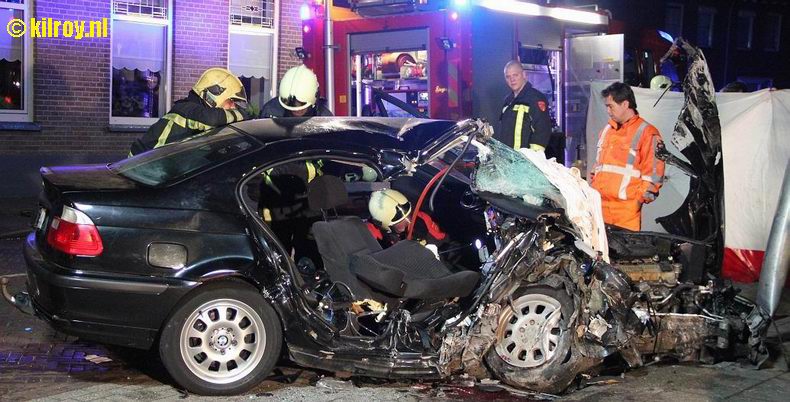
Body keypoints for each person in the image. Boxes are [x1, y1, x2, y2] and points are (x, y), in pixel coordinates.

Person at [590, 82, 666, 231]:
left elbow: (654, 175)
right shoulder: (607, 130)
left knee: (624, 247)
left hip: (626, 213)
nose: (608, 111)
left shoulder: (647, 132)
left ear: (625, 104)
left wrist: (637, 201)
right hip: (599, 207)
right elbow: (598, 167)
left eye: (610, 106)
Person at [129, 68, 251, 156]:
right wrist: (244, 115)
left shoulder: (195, 112)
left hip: (156, 165)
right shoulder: (186, 109)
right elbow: (212, 119)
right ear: (212, 95)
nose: (233, 106)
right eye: (230, 101)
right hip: (137, 167)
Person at [495, 60, 552, 152]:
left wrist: (532, 157)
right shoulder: (508, 101)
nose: (512, 79)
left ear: (524, 75)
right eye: (508, 77)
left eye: (515, 75)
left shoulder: (535, 98)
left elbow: (542, 131)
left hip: (525, 159)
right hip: (508, 157)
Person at [366, 189, 446, 249]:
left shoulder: (421, 219)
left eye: (409, 216)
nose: (409, 221)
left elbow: (441, 241)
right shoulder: (370, 235)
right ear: (384, 226)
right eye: (401, 223)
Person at [261, 65, 333, 118]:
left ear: (314, 99)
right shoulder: (270, 112)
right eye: (290, 103)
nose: (297, 110)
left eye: (301, 103)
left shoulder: (324, 119)